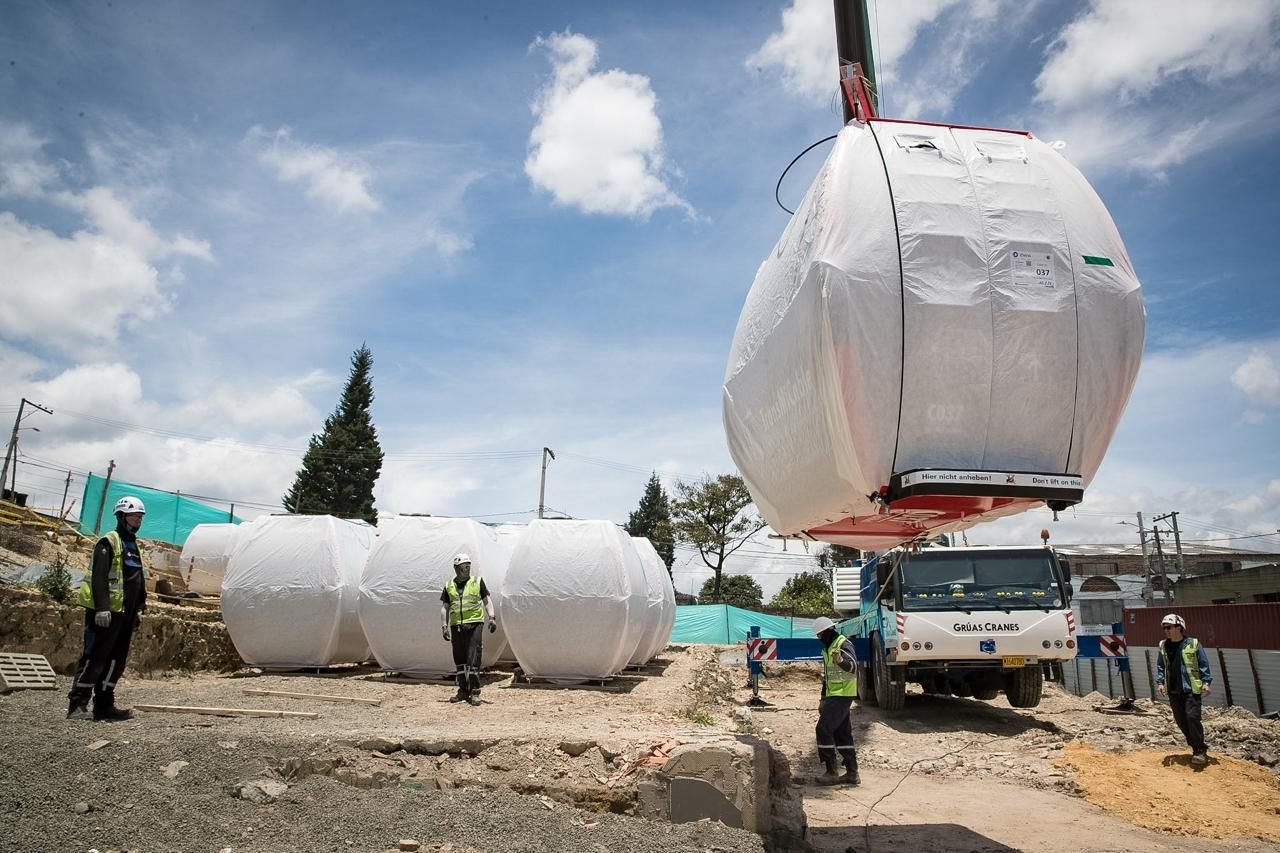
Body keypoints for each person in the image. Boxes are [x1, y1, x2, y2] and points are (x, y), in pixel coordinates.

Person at [66, 496, 148, 721]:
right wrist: (102, 607)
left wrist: (140, 607)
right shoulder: (108, 541)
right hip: (106, 614)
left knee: (116, 660)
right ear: (121, 516)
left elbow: (137, 579)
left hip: (126, 614)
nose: (137, 520)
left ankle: (104, 704)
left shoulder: (132, 544)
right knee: (95, 657)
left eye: (140, 517)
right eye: (134, 516)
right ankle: (77, 704)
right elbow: (99, 577)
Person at [1155, 612, 1213, 767]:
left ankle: (1199, 751)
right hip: (1173, 689)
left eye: (1169, 627)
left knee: (1192, 717)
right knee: (1181, 721)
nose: (1166, 630)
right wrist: (1160, 682)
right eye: (1164, 628)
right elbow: (1161, 665)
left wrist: (1206, 682)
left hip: (1191, 689)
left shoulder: (1193, 644)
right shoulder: (1163, 645)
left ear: (1179, 627)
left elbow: (1203, 664)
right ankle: (1196, 745)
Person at [440, 553, 496, 706]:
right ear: (456, 568)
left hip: (475, 625)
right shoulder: (449, 585)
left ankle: (475, 692)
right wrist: (444, 626)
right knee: (460, 660)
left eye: (468, 567)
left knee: (473, 658)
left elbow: (487, 600)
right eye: (463, 567)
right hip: (456, 626)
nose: (466, 570)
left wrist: (491, 617)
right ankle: (463, 690)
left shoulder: (477, 582)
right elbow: (445, 607)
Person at [812, 616, 860, 785]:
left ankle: (831, 771)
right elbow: (827, 677)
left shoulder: (843, 644)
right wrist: (823, 698)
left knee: (823, 730)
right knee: (842, 733)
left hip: (842, 694)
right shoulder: (829, 647)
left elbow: (853, 666)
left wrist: (841, 661)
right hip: (834, 695)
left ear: (826, 632)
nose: (819, 639)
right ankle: (852, 773)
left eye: (819, 635)